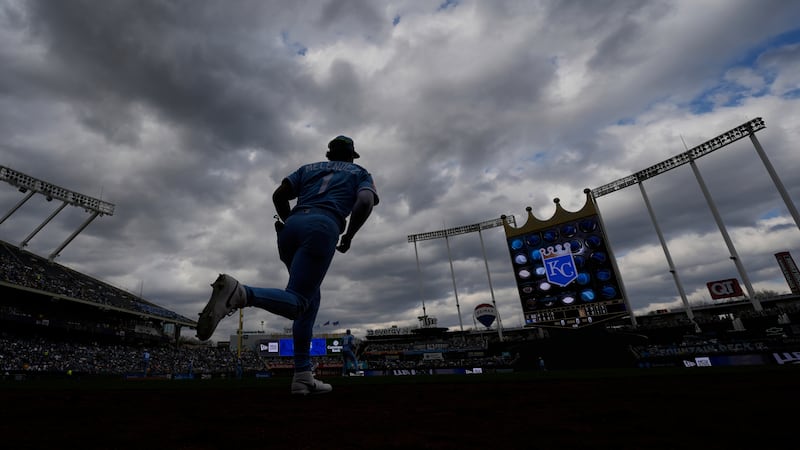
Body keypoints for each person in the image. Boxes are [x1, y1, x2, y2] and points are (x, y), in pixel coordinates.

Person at [196, 135, 378, 395]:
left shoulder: (308, 168)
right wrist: (349, 236)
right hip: (323, 225)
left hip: (290, 227)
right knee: (299, 302)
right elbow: (365, 202)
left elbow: (279, 195)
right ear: (352, 156)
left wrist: (292, 221)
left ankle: (302, 376)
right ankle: (241, 293)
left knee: (310, 301)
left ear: (328, 154)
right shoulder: (359, 171)